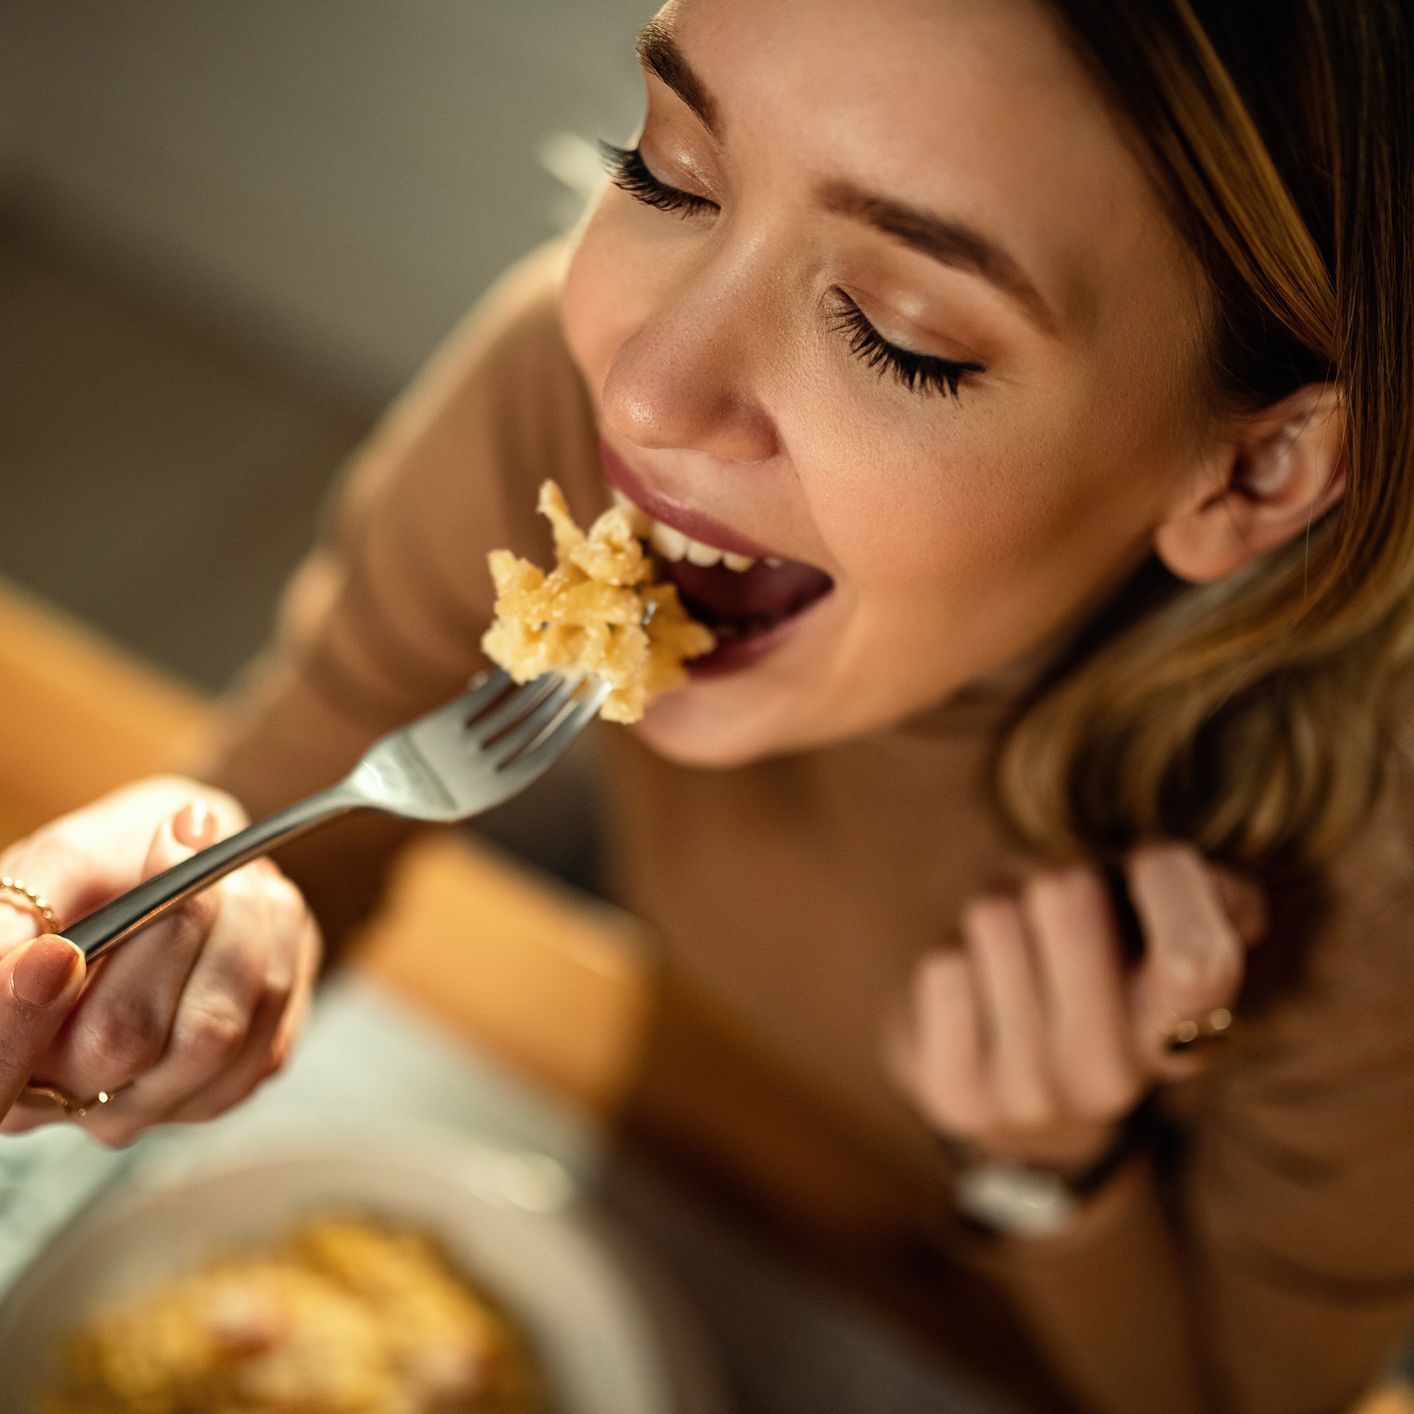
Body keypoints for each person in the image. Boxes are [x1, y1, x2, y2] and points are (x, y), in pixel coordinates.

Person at [1, 0, 1410, 1409]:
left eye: (900, 335)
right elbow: (301, 822)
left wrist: (1054, 1178)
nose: (648, 390)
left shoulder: (1372, 855)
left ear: (1258, 471)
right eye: (667, 171)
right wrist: (184, 908)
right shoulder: (549, 409)